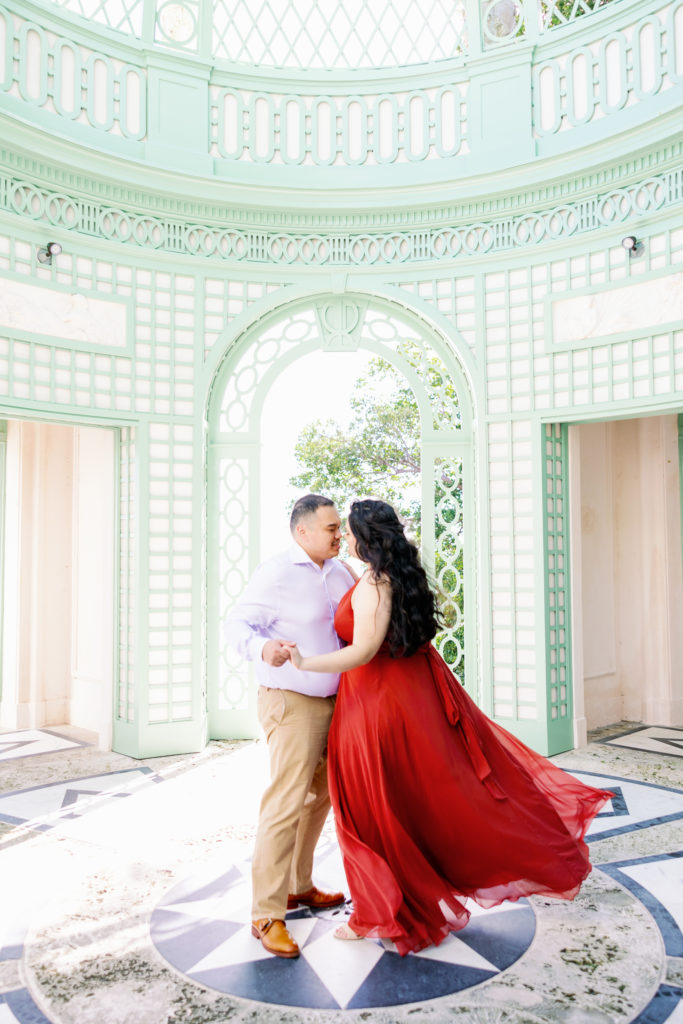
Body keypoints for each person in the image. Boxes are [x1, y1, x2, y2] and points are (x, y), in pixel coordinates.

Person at [286, 498, 613, 957]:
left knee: (370, 811)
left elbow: (361, 652)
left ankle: (377, 915)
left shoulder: (373, 584)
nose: (345, 539)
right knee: (398, 805)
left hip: (375, 706)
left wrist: (304, 661)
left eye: (349, 531)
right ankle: (390, 901)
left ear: (366, 538)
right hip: (402, 698)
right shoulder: (399, 576)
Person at [224, 494, 356, 959]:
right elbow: (237, 624)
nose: (339, 534)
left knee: (319, 796)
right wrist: (264, 649)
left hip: (338, 703)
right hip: (290, 701)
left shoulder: (341, 572)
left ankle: (299, 885)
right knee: (284, 802)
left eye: (340, 527)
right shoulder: (277, 572)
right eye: (331, 528)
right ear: (302, 532)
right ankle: (266, 914)